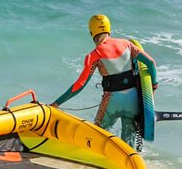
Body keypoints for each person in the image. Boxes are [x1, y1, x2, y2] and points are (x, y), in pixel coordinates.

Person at [52, 14, 157, 146]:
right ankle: (129, 162)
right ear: (109, 30)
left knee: (98, 135)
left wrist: (56, 104)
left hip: (111, 103)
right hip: (132, 101)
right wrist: (153, 88)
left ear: (92, 33)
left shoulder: (94, 55)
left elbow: (80, 85)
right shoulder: (127, 45)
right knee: (128, 144)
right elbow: (151, 63)